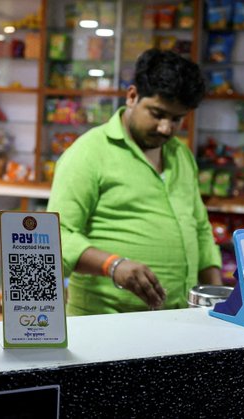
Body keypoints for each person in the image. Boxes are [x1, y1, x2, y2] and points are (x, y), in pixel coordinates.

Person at [47, 48, 222, 316]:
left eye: (177, 119)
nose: (166, 128)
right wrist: (113, 266)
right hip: (105, 322)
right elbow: (57, 235)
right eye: (157, 113)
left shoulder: (181, 154)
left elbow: (199, 228)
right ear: (132, 96)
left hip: (179, 318)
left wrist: (218, 297)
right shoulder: (88, 153)